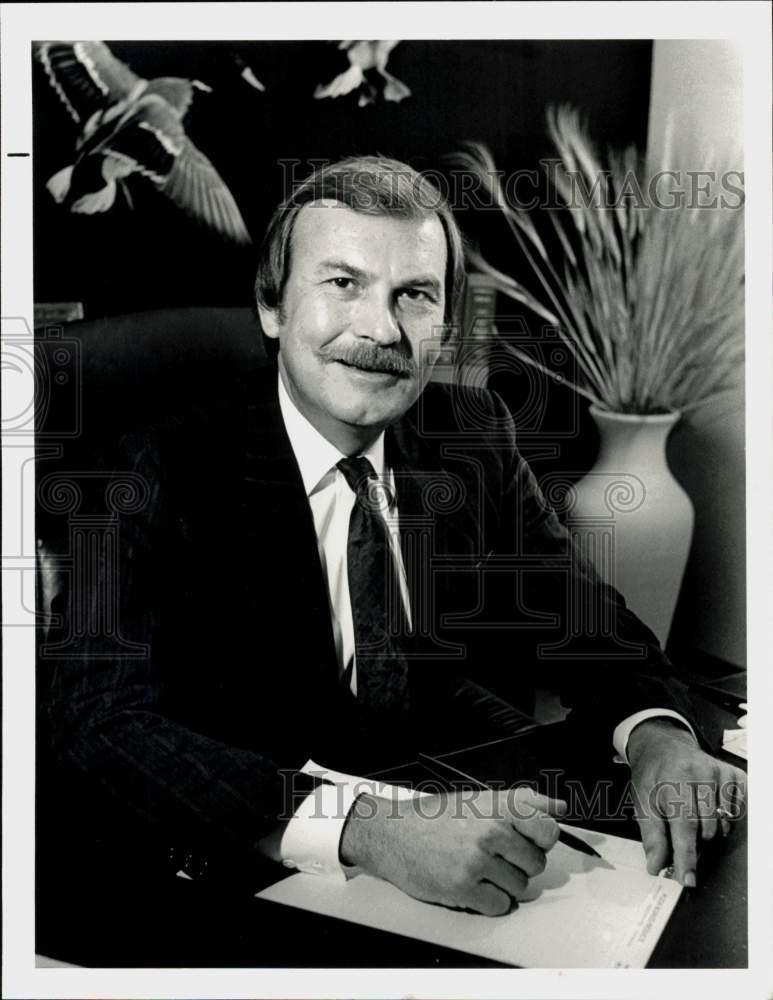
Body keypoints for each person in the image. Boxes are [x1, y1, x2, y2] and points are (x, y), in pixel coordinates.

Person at [44, 156, 745, 923]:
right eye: (341, 283)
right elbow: (100, 723)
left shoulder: (469, 435)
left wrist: (656, 735)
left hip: (448, 798)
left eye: (413, 294)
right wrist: (363, 828)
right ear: (271, 307)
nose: (380, 330)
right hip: (236, 856)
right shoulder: (150, 465)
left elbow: (577, 616)